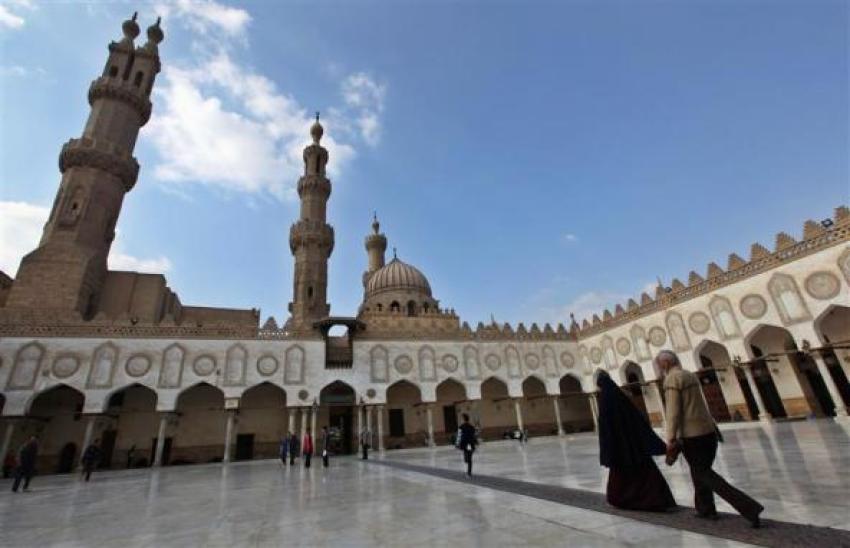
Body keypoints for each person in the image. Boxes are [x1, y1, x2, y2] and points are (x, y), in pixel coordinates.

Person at [657, 350, 764, 528]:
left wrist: (670, 438)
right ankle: (705, 509)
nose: (660, 368)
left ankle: (749, 508)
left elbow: (673, 411)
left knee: (704, 474)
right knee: (700, 471)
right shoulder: (689, 375)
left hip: (693, 435)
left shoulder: (672, 379)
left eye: (660, 365)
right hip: (709, 431)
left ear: (666, 363)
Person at [596, 370, 676, 511]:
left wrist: (609, 451)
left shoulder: (604, 402)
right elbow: (638, 422)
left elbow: (606, 430)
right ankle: (657, 500)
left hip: (620, 450)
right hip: (635, 448)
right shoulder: (622, 399)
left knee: (622, 478)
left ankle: (624, 500)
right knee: (645, 475)